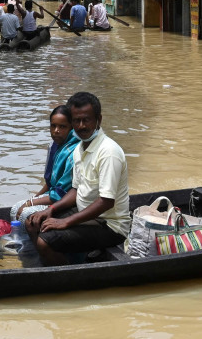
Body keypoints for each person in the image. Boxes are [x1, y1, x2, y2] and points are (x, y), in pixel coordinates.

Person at [27, 92, 130, 266]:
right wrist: (51, 209)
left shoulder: (108, 152)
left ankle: (69, 274)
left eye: (86, 120)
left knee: (44, 241)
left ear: (99, 120)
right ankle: (55, 264)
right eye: (76, 121)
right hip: (85, 213)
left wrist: (65, 222)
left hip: (109, 225)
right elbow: (76, 190)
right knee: (33, 222)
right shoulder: (79, 149)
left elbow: (106, 202)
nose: (81, 126)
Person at [10, 105, 81, 224]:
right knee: (15, 208)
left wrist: (30, 203)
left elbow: (61, 193)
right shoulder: (54, 146)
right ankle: (19, 240)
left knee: (26, 213)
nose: (56, 130)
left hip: (66, 202)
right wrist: (31, 199)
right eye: (53, 126)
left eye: (62, 127)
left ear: (71, 128)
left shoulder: (73, 152)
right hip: (53, 195)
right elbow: (49, 183)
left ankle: (34, 240)